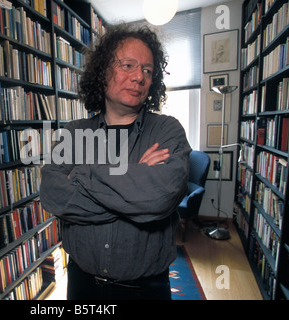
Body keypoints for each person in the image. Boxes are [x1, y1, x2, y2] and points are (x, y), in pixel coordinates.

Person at [39, 23, 191, 300]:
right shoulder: (73, 133)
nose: (139, 77)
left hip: (146, 290)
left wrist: (81, 176)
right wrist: (135, 181)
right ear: (103, 70)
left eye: (147, 70)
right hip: (82, 285)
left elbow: (159, 198)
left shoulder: (168, 131)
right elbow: (52, 194)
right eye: (128, 65)